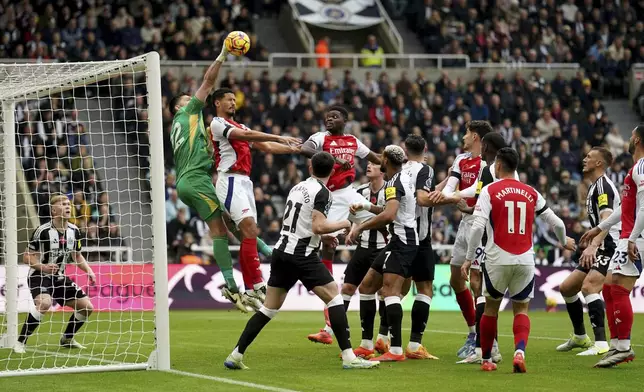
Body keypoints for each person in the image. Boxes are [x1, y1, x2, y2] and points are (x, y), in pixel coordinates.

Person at [223, 152, 379, 370]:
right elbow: (318, 226)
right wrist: (345, 223)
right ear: (332, 171)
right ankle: (349, 358)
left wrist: (322, 235)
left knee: (268, 309)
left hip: (282, 252)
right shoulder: (323, 193)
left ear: (310, 169)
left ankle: (235, 355)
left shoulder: (297, 187)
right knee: (335, 299)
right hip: (302, 254)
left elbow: (305, 223)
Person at [462, 148, 576, 372]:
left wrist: (468, 258)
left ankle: (486, 360)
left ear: (497, 166)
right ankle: (519, 352)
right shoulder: (531, 191)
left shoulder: (489, 190)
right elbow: (558, 224)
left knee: (491, 309)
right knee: (521, 309)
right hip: (525, 260)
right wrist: (563, 242)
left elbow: (476, 228)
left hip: (496, 258)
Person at [209, 87, 301, 310]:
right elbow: (250, 137)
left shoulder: (240, 125)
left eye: (234, 99)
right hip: (229, 181)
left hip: (245, 183)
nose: (233, 103)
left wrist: (294, 149)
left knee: (248, 234)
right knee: (249, 229)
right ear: (217, 103)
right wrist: (280, 135)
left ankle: (251, 289)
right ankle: (259, 284)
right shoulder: (217, 123)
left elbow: (266, 146)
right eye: (228, 99)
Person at [349, 136, 440, 360]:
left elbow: (389, 215)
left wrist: (361, 226)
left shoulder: (395, 182)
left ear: (386, 159)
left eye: (381, 155)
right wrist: (368, 207)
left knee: (391, 290)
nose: (378, 158)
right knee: (368, 285)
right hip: (398, 239)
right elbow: (390, 208)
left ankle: (396, 350)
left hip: (403, 241)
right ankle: (367, 344)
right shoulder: (401, 179)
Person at [300, 106, 381, 345]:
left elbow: (373, 157)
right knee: (325, 241)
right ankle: (326, 282)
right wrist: (334, 159)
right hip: (330, 196)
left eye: (335, 117)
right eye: (327, 116)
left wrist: (398, 165)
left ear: (345, 120)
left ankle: (392, 258)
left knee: (380, 218)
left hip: (348, 192)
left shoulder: (353, 140)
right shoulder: (320, 138)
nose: (329, 119)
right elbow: (305, 149)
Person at [582, 125, 644, 367]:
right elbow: (625, 208)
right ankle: (617, 344)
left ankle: (624, 347)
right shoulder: (635, 169)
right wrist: (600, 227)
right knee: (608, 287)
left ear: (637, 140)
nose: (628, 140)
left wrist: (632, 238)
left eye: (631, 136)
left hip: (635, 237)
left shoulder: (641, 167)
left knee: (617, 288)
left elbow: (642, 208)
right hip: (630, 235)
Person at [14, 194, 96, 354]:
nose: (68, 206)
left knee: (87, 307)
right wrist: (43, 267)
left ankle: (67, 338)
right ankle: (20, 342)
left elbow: (77, 256)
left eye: (68, 204)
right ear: (53, 209)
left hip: (60, 277)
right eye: (63, 204)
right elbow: (26, 257)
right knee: (44, 304)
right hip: (39, 276)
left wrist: (89, 271)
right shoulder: (42, 231)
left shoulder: (75, 230)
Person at [455, 131, 511, 364]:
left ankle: (483, 348)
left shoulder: (490, 170)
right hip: (500, 232)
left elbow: (479, 194)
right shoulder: (507, 172)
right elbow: (480, 194)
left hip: (488, 232)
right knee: (483, 288)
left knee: (479, 284)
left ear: (487, 146)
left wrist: (453, 195)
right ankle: (489, 347)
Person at [556, 147, 620, 356]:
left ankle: (601, 344)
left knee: (590, 287)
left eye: (589, 157)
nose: (584, 159)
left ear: (599, 163)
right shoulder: (594, 186)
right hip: (598, 245)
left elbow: (607, 219)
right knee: (567, 288)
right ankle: (581, 337)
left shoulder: (603, 187)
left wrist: (594, 245)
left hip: (609, 245)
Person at [440, 120, 491, 358]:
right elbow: (451, 185)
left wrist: (455, 195)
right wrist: (442, 195)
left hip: (480, 222)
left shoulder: (487, 163)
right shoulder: (461, 160)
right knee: (455, 278)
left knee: (477, 281)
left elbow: (479, 189)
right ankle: (472, 332)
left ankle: (483, 342)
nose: (463, 137)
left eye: (467, 134)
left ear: (476, 137)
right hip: (464, 222)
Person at [340, 161, 388, 357]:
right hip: (363, 247)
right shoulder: (359, 190)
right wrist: (350, 230)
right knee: (347, 288)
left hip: (382, 248)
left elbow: (389, 216)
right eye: (367, 163)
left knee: (384, 293)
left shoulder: (390, 191)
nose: (368, 166)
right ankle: (336, 331)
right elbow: (353, 217)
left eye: (373, 164)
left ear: (382, 170)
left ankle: (383, 337)